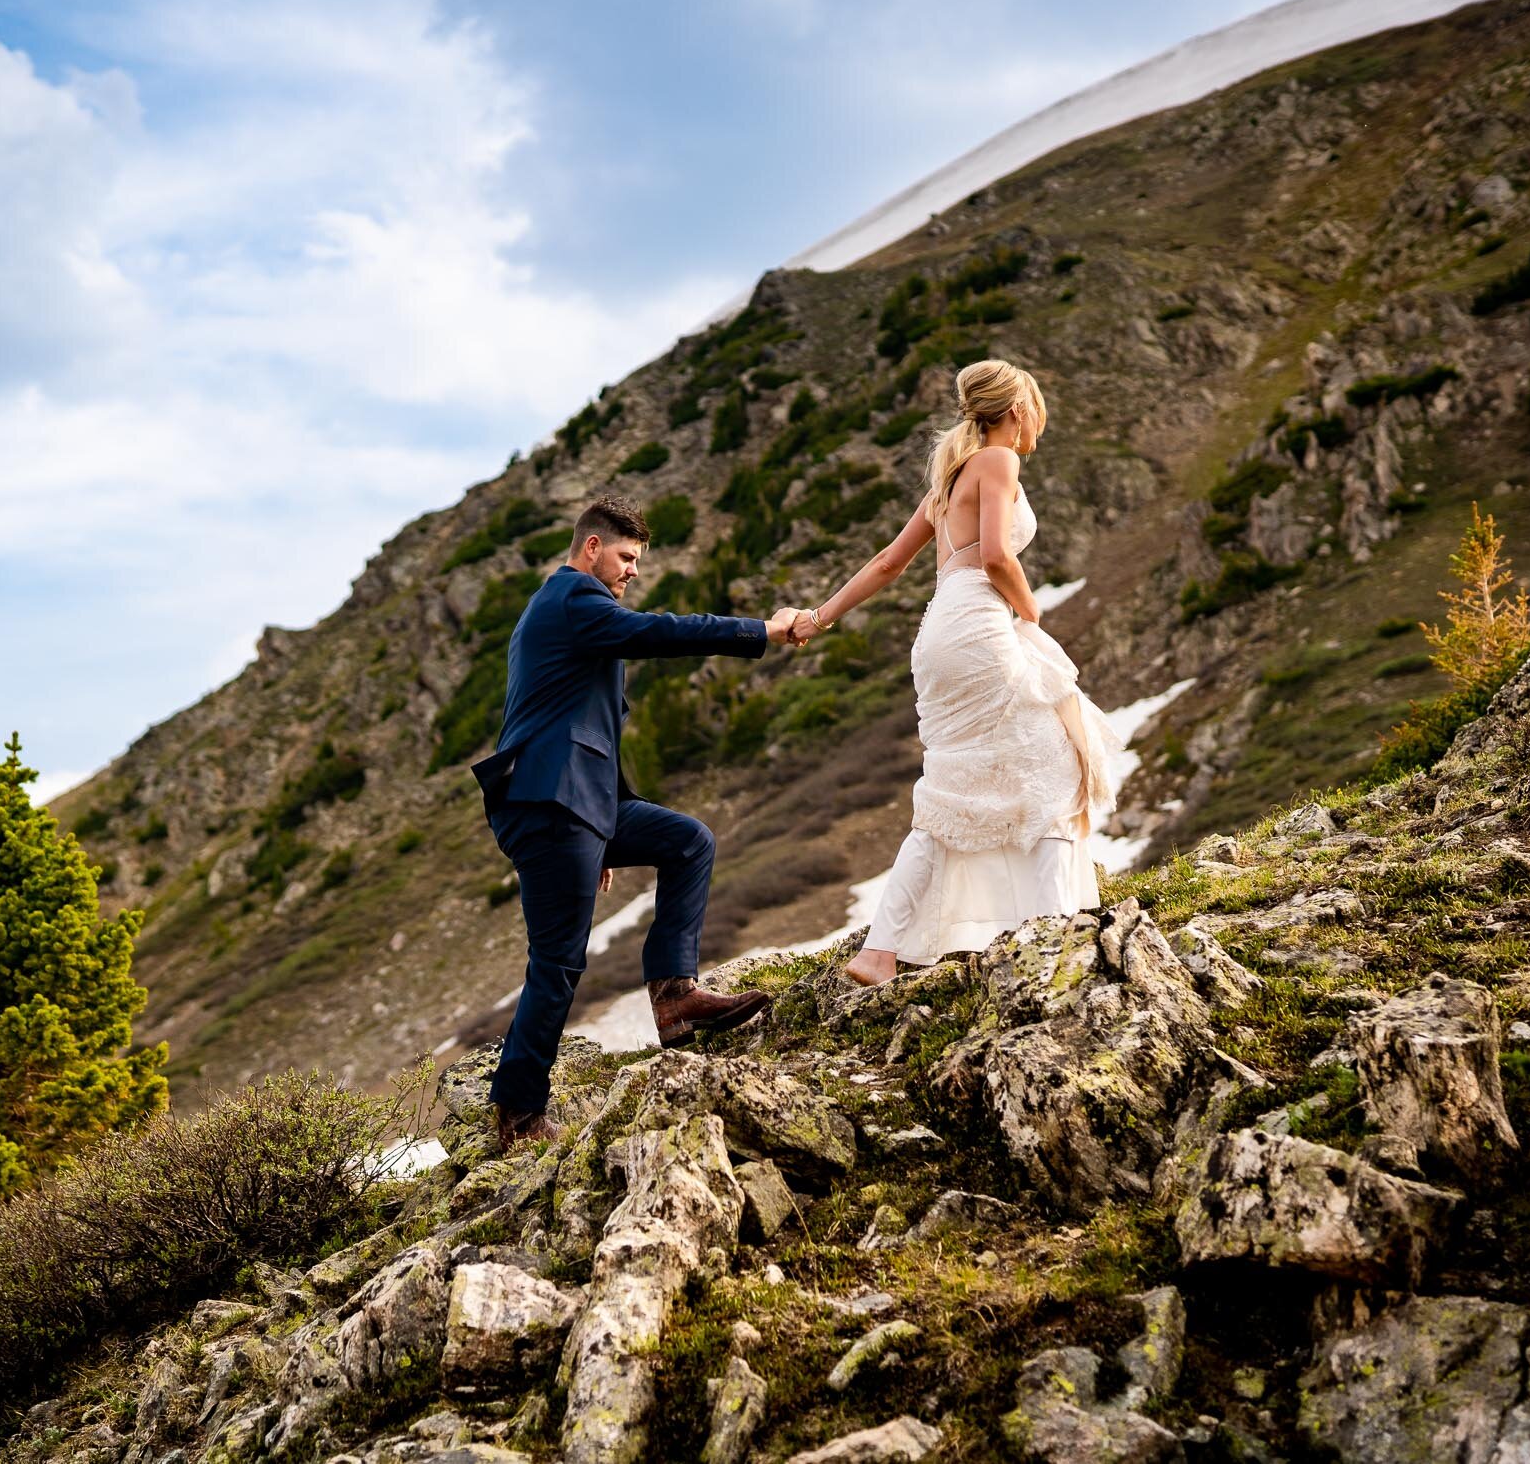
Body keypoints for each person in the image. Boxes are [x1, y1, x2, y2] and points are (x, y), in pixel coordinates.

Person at [472, 494, 809, 1150]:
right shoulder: (572, 599)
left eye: (637, 561)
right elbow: (661, 632)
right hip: (549, 806)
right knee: (559, 963)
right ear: (590, 548)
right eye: (625, 557)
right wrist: (760, 632)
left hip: (575, 801)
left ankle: (674, 994)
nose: (632, 571)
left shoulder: (569, 613)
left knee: (686, 841)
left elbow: (576, 724)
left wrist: (602, 828)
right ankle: (517, 1115)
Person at [792, 359, 1118, 985]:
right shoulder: (998, 462)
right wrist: (1030, 607)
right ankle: (1054, 931)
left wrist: (818, 616)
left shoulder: (947, 481)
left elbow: (889, 562)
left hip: (938, 634)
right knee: (1052, 764)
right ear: (1019, 408)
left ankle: (880, 949)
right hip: (978, 626)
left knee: (952, 787)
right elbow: (996, 555)